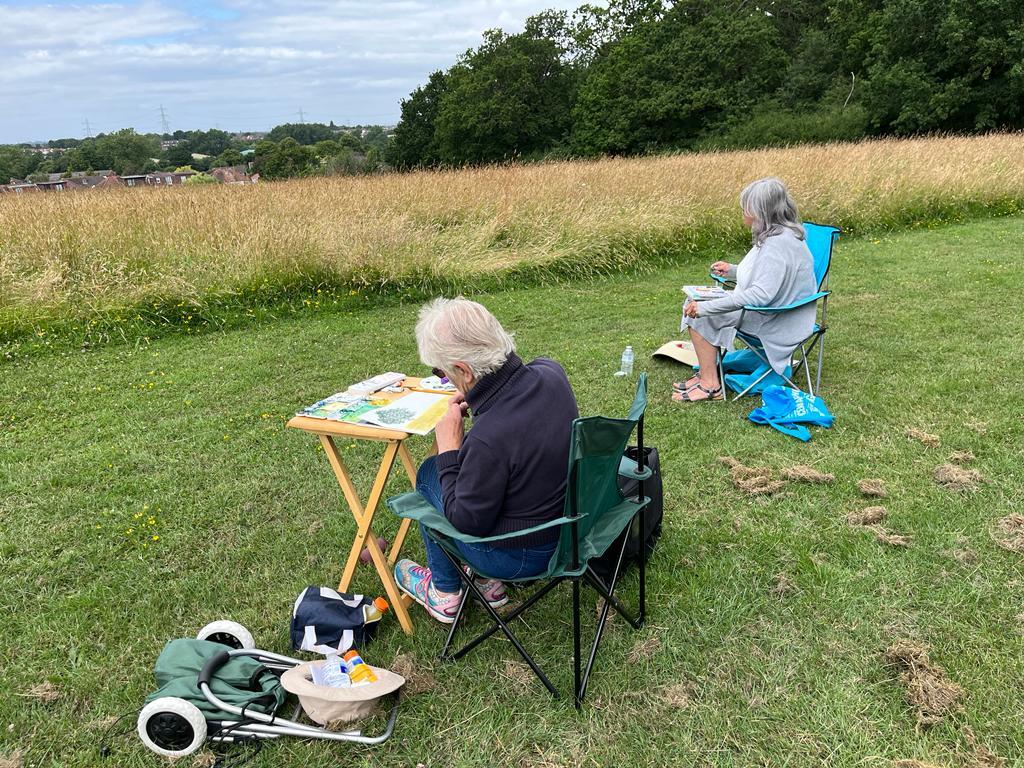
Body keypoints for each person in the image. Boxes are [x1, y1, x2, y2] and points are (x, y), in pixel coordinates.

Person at [394, 297, 579, 623]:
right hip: (571, 532)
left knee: (428, 474)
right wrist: (479, 396)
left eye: (441, 372)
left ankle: (446, 592)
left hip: (521, 557)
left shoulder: (488, 439)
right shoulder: (551, 372)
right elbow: (517, 419)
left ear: (463, 369)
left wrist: (450, 450)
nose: (444, 378)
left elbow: (466, 520)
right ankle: (483, 585)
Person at [675, 177, 817, 402]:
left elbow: (760, 294)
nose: (743, 209)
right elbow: (772, 276)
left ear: (762, 210)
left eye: (747, 206)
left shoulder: (775, 245)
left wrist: (707, 308)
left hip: (775, 319)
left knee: (700, 314)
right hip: (781, 311)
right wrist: (732, 270)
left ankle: (710, 385)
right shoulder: (785, 234)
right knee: (697, 304)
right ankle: (707, 373)